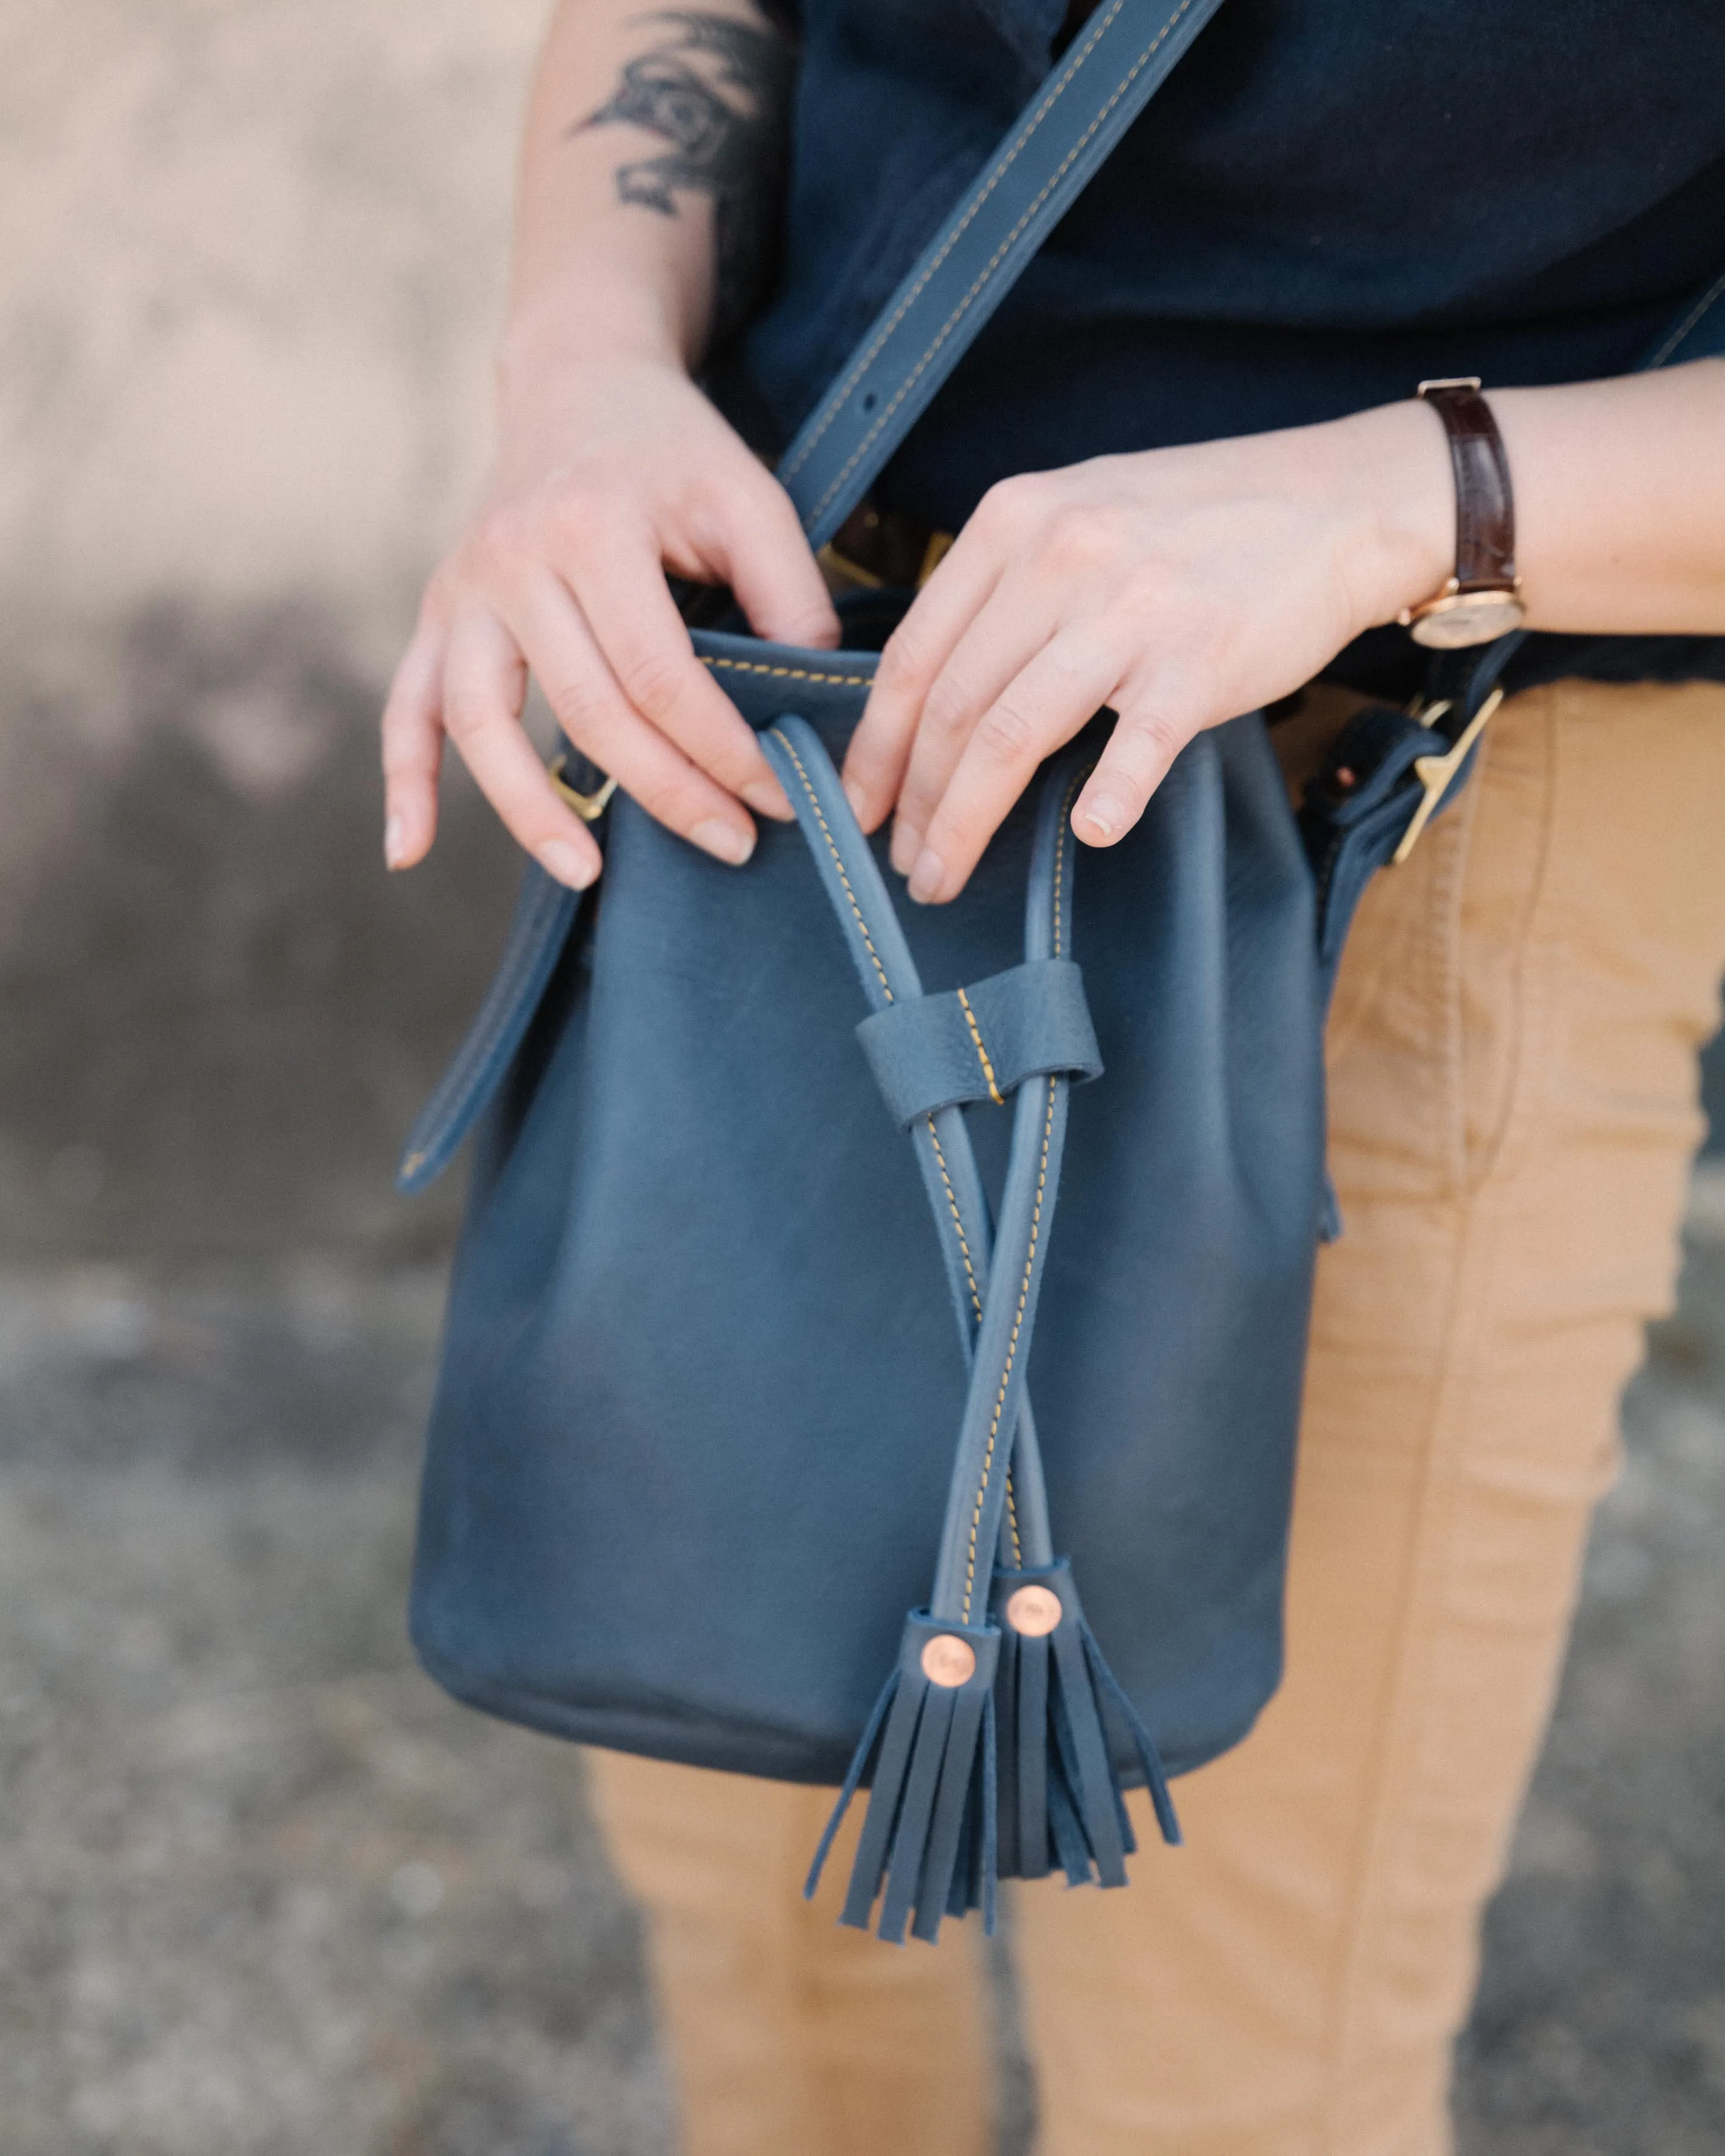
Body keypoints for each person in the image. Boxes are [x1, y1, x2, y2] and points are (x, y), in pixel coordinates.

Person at [380, 5, 1725, 2151]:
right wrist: (582, 365)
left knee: (1236, 2063)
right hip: (786, 737)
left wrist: (1416, 490)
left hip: (1409, 796)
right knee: (753, 1924)